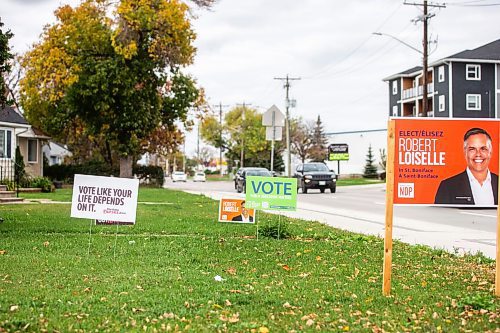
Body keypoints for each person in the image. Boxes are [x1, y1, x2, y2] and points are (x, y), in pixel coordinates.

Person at [434, 127, 498, 205]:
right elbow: (440, 216)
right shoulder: (448, 187)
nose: (478, 154)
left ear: (490, 152)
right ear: (465, 152)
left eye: (483, 149)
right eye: (472, 149)